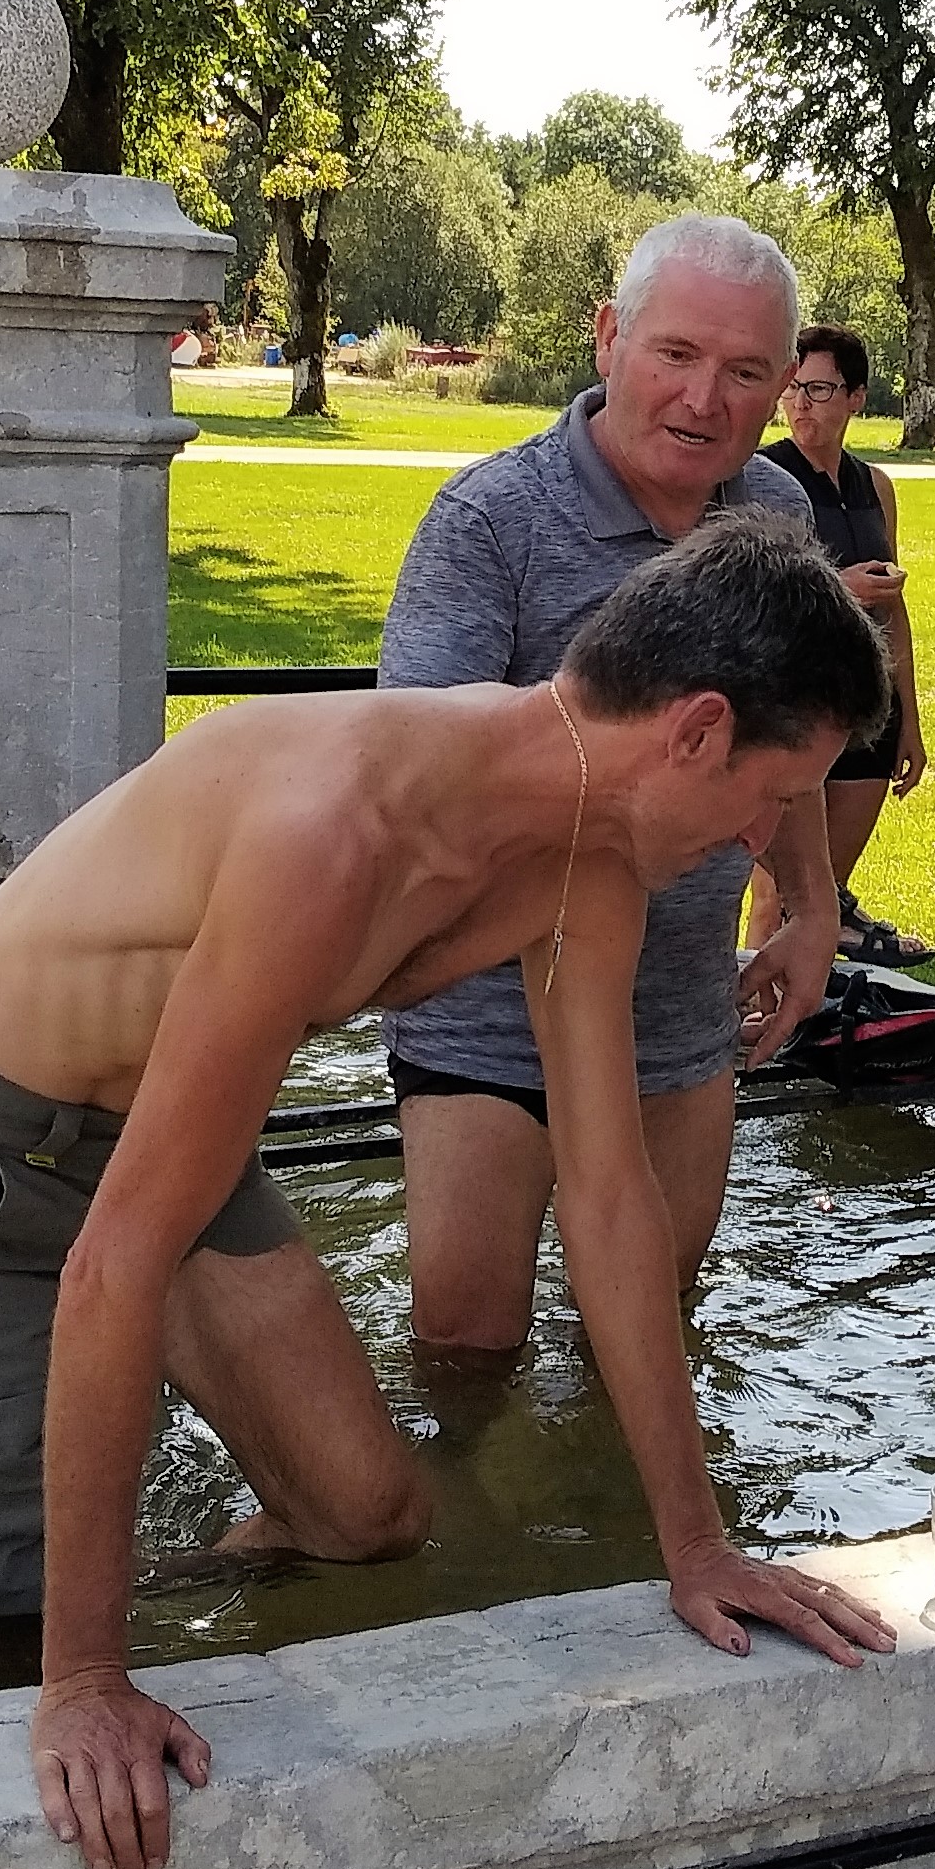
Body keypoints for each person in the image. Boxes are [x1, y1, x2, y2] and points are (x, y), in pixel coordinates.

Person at [0, 518, 899, 1869]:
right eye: (770, 796)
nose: (763, 838)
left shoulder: (584, 866)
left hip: (157, 1128)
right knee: (0, 1628)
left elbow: (608, 1205)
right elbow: (114, 1259)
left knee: (369, 1518)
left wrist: (700, 1544)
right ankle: (48, 1640)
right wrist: (86, 1678)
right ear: (694, 730)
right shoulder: (338, 829)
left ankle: (139, 1569)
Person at [376, 213, 845, 1351]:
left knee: (641, 1341)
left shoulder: (776, 516)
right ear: (608, 339)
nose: (704, 399)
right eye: (676, 355)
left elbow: (791, 746)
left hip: (681, 1014)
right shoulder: (490, 523)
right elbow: (418, 791)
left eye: (743, 372)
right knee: (465, 1359)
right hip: (486, 1026)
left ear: (781, 385)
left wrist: (814, 904)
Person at [759, 322, 932, 960]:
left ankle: (814, 1012)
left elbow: (895, 614)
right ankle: (752, 1024)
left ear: (857, 397)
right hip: (792, 700)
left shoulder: (874, 486)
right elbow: (750, 591)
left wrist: (907, 722)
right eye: (794, 388)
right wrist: (839, 586)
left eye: (822, 389)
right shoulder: (765, 478)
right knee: (778, 891)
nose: (803, 403)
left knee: (828, 886)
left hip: (866, 705)